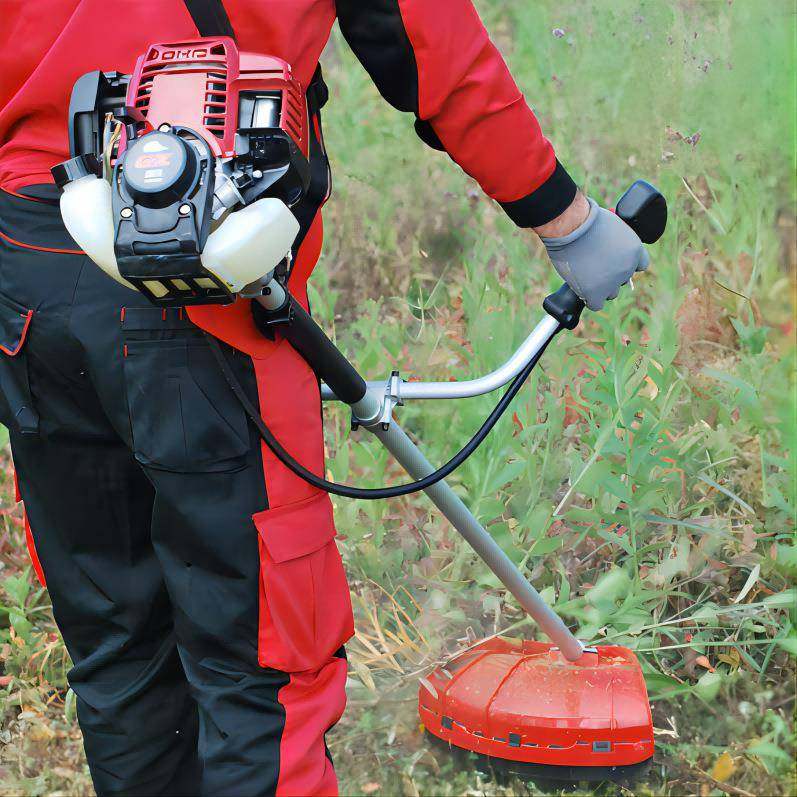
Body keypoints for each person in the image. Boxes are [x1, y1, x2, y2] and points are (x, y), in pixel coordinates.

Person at [0, 1, 649, 795]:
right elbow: (424, 40)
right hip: (201, 277)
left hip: (28, 274)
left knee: (119, 645)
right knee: (264, 664)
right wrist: (565, 217)